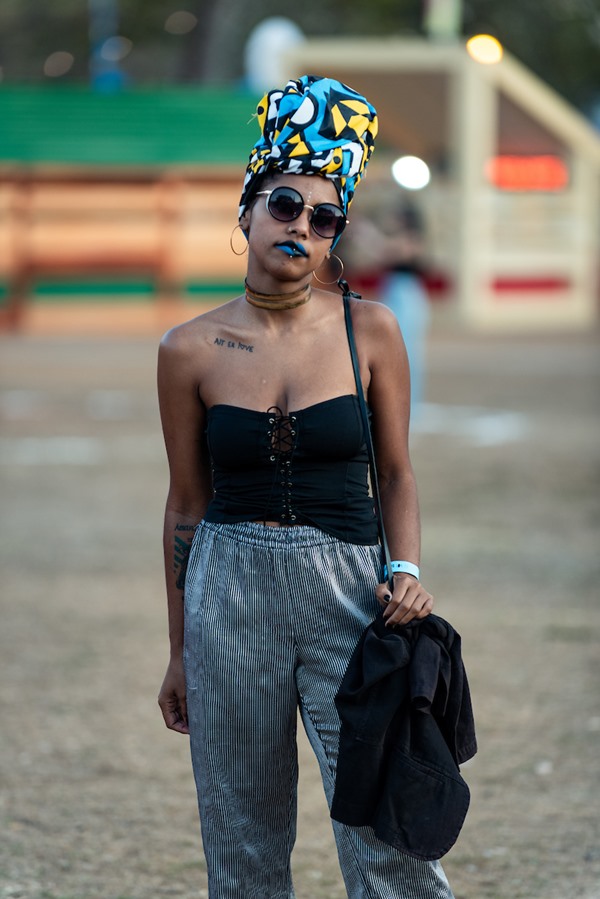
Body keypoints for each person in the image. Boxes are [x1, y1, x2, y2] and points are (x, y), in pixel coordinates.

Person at [157, 75, 454, 899]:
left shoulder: (374, 329)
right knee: (243, 843)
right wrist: (180, 648)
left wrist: (408, 569)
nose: (302, 227)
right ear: (247, 210)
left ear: (335, 237)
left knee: (387, 830)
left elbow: (394, 471)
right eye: (285, 205)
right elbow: (185, 502)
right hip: (228, 596)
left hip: (348, 592)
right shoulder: (189, 348)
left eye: (325, 219)